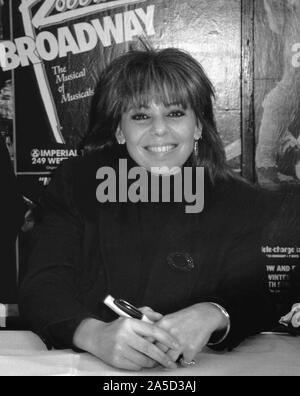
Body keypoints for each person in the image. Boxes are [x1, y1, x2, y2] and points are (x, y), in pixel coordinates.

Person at [20, 47, 279, 371]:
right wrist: (93, 334)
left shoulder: (237, 199)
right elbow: (43, 284)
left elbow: (258, 296)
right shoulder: (76, 183)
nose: (159, 130)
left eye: (174, 114)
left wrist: (212, 313)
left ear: (198, 126)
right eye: (141, 116)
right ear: (119, 129)